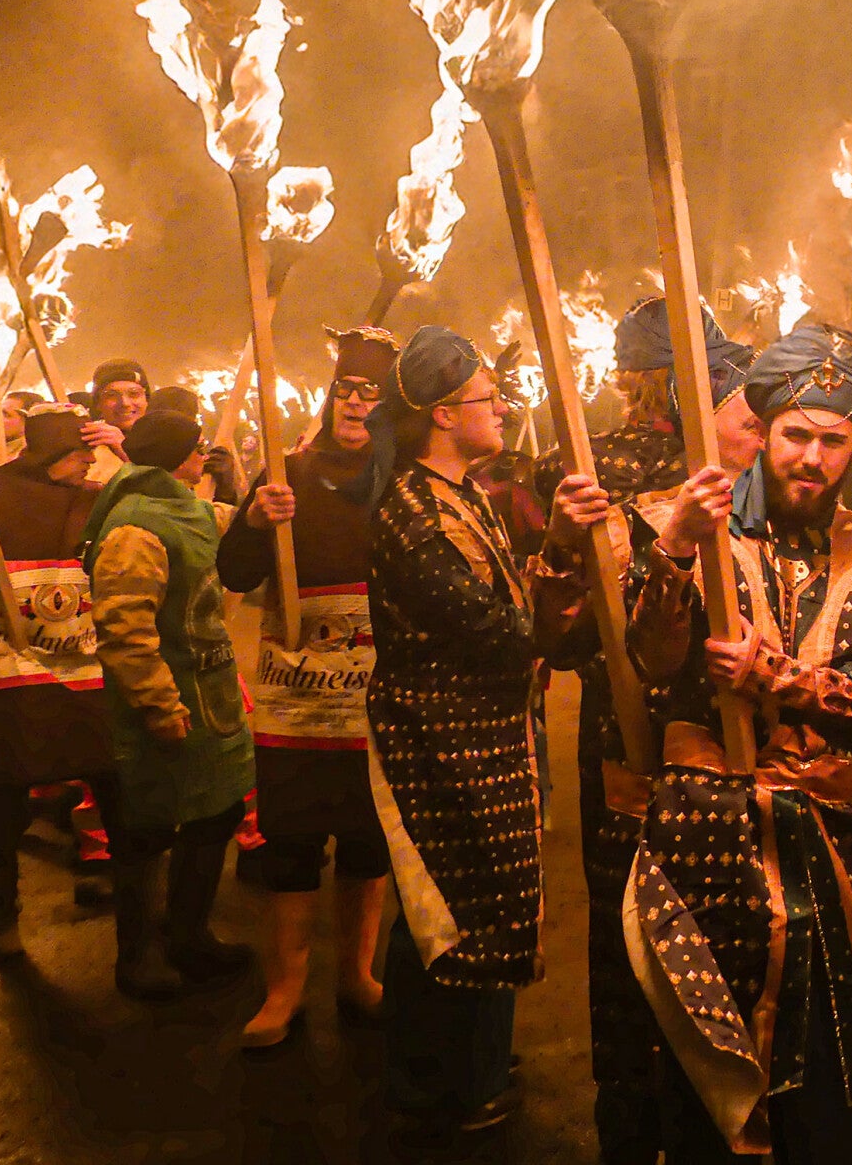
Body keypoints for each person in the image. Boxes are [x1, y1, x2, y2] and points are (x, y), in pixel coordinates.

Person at [617, 322, 852, 1164]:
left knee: (836, 1085)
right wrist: (674, 550)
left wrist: (776, 678)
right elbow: (650, 662)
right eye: (796, 435)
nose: (812, 458)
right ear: (765, 431)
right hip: (709, 842)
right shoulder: (683, 526)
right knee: (711, 1085)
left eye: (832, 441)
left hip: (834, 850)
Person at [534, 296, 761, 1165]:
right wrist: (567, 544)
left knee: (728, 961)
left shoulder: (755, 471)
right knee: (629, 956)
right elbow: (562, 638)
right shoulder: (595, 472)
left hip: (732, 743)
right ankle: (632, 1135)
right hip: (628, 744)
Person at [353, 326, 593, 1134]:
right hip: (441, 739)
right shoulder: (416, 514)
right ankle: (434, 1087)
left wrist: (555, 549)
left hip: (485, 732)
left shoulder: (460, 494)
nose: (503, 410)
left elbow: (510, 603)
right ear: (444, 415)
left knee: (489, 897)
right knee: (449, 910)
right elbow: (498, 628)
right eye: (489, 399)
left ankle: (475, 1060)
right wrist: (571, 606)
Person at [217, 326, 399, 1050]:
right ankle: (284, 989)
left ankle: (356, 975)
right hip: (296, 699)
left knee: (367, 839)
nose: (355, 404)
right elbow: (235, 571)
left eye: (371, 394)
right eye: (345, 391)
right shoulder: (284, 473)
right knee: (291, 841)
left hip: (377, 696)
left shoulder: (402, 480)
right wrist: (255, 522)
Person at [83, 407, 254, 1000]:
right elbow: (125, 628)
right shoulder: (135, 527)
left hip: (210, 698)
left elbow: (236, 524)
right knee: (148, 828)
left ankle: (189, 938)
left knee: (215, 815)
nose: (203, 454)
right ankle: (139, 957)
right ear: (176, 456)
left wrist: (261, 498)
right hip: (169, 701)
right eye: (196, 446)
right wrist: (159, 705)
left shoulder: (185, 507)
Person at [0, 405, 126, 956]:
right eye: (78, 454)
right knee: (4, 798)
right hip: (11, 671)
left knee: (118, 783)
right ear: (51, 454)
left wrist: (124, 454)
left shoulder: (95, 499)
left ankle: (138, 919)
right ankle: (1, 920)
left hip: (87, 667)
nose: (87, 464)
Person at [90, 359, 150, 434]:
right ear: (98, 403)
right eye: (112, 395)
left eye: (134, 393)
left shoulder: (161, 436)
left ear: (146, 400)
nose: (125, 403)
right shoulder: (86, 438)